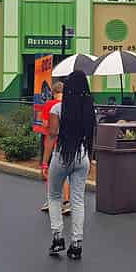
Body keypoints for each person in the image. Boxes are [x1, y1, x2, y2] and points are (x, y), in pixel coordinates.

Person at [41, 71, 95, 260]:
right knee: (78, 200)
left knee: (54, 196)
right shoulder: (89, 109)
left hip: (62, 154)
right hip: (82, 155)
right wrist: (90, 158)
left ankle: (58, 237)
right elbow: (91, 136)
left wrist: (44, 162)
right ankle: (76, 243)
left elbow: (52, 135)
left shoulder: (58, 108)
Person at [39, 82, 70, 215]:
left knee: (51, 172)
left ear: (53, 93)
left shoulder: (49, 105)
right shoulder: (70, 105)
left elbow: (45, 124)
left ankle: (51, 201)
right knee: (66, 173)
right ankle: (66, 202)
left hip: (52, 142)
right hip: (68, 142)